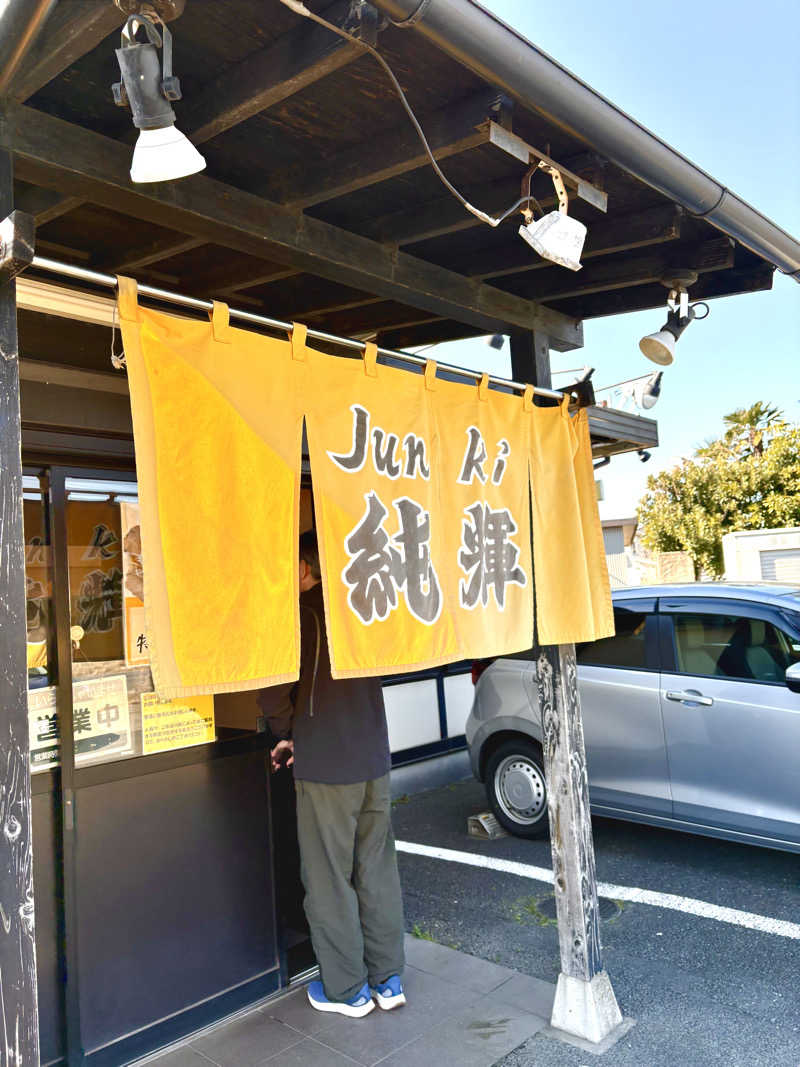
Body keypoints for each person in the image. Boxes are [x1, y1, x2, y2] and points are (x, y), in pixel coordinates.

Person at [257, 529, 406, 1019]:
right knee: (376, 869)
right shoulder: (363, 606)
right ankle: (388, 979)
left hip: (326, 764)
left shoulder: (299, 616)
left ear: (304, 568)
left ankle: (347, 990)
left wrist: (283, 730)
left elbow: (275, 686)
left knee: (328, 878)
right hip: (373, 760)